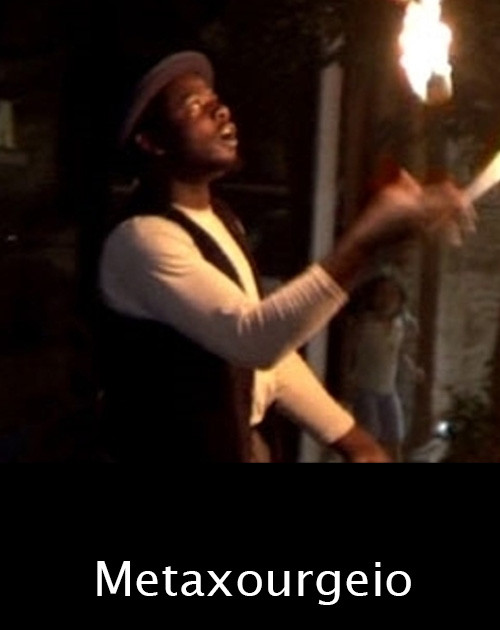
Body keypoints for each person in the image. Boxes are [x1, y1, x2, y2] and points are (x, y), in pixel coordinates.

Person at [96, 50, 471, 463]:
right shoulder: (143, 239)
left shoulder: (220, 219)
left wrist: (353, 439)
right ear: (151, 142)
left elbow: (267, 360)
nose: (221, 110)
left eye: (215, 99)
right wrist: (364, 240)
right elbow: (253, 339)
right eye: (194, 106)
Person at [343, 270, 425, 461]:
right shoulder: (364, 324)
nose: (386, 300)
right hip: (365, 388)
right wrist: (346, 381)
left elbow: (399, 352)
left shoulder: (399, 325)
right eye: (381, 294)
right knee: (369, 437)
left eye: (392, 295)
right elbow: (349, 352)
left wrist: (413, 369)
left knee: (395, 437)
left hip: (388, 391)